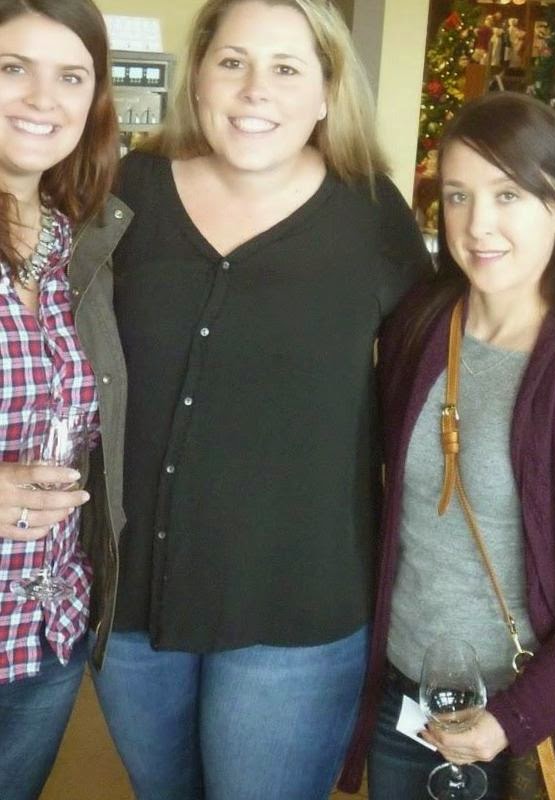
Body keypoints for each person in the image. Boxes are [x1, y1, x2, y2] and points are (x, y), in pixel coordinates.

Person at [89, 1, 430, 798]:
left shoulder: (371, 214)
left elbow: (437, 373)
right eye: (233, 61)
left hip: (295, 610)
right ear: (198, 76)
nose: (254, 90)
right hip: (134, 601)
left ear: (326, 93)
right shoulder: (124, 193)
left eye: (285, 68)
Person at [338, 91, 555, 799]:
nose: (478, 223)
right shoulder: (420, 326)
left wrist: (513, 718)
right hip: (408, 699)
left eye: (508, 195)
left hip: (529, 714)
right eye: (458, 195)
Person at [0, 1, 131, 798]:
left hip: (45, 635)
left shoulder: (83, 242)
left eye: (71, 77)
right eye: (12, 68)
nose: (42, 99)